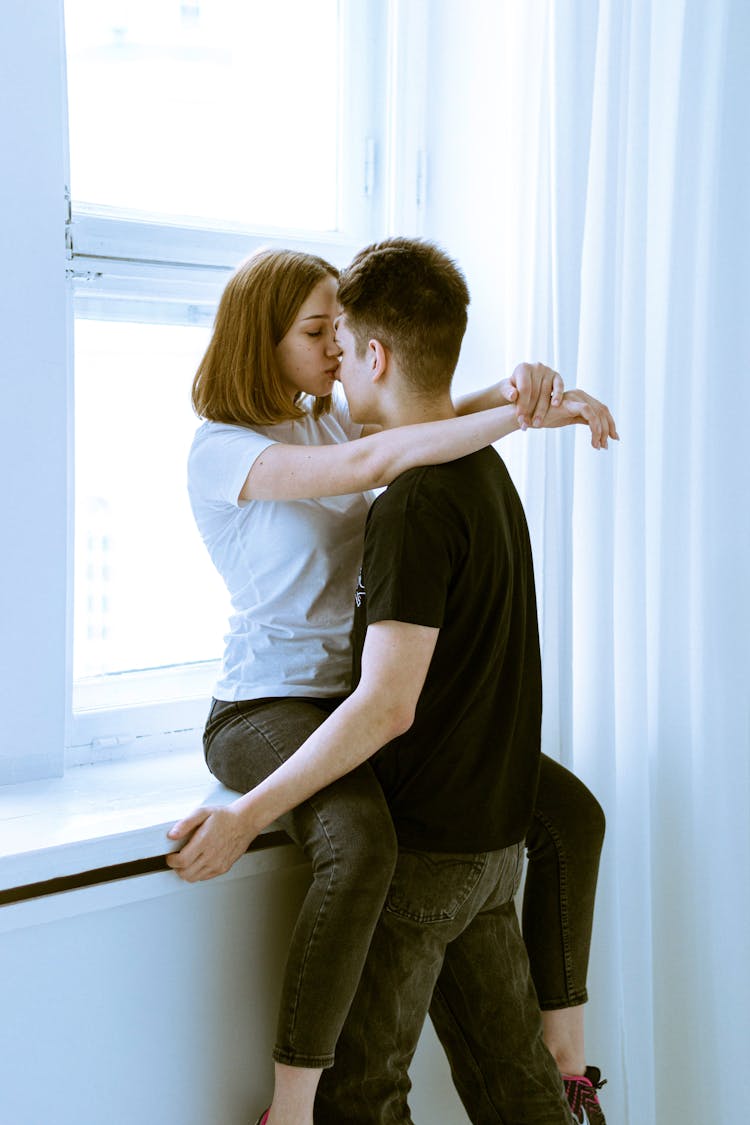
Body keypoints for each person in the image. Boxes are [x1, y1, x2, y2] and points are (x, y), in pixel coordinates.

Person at [167, 245, 615, 1125]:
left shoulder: (338, 417)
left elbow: (416, 416)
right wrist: (514, 422)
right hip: (265, 702)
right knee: (364, 843)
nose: (337, 348)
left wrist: (519, 394)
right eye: (316, 331)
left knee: (559, 808)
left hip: (348, 699)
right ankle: (290, 1106)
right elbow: (376, 466)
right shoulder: (225, 451)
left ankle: (565, 1067)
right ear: (263, 339)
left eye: (343, 329)